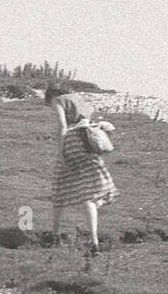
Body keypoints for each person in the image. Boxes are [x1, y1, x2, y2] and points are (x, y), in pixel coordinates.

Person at [46, 82, 117, 256]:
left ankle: (54, 237)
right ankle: (94, 242)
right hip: (88, 142)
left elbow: (63, 125)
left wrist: (61, 152)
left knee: (60, 188)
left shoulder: (58, 100)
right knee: (89, 195)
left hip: (73, 142)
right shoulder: (79, 99)